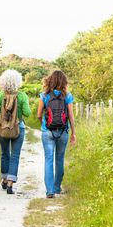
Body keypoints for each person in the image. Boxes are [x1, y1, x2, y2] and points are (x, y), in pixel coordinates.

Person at [37, 70, 76, 198]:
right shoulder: (68, 96)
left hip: (47, 131)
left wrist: (44, 123)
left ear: (50, 80)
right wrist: (73, 133)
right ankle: (57, 187)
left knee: (48, 159)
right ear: (64, 81)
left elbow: (38, 115)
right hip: (63, 131)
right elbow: (71, 116)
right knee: (59, 159)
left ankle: (49, 191)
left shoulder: (44, 95)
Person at [0, 69, 31, 194]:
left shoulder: (0, 95)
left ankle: (3, 179)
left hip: (3, 128)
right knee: (15, 156)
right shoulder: (22, 96)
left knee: (5, 154)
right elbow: (27, 113)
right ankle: (10, 183)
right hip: (18, 129)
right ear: (18, 81)